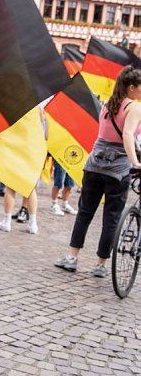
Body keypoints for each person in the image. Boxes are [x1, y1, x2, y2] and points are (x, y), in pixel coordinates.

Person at [55, 65, 141, 277]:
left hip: (94, 165)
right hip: (117, 168)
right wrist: (136, 163)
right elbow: (128, 135)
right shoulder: (134, 107)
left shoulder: (108, 105)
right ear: (131, 87)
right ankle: (101, 265)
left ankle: (72, 258)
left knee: (84, 213)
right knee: (111, 218)